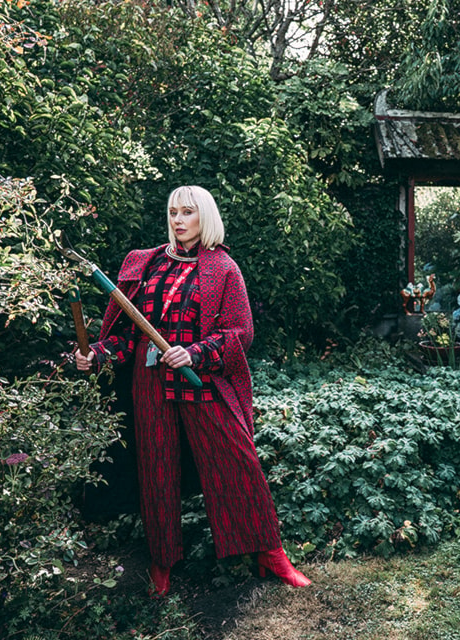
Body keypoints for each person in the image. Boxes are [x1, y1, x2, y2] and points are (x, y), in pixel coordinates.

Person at [75, 185, 310, 595]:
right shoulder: (144, 264)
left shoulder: (223, 268)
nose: (178, 220)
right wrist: (96, 354)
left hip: (198, 382)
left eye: (187, 212)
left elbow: (241, 332)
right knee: (157, 471)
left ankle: (269, 553)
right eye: (172, 212)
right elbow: (127, 336)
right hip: (150, 385)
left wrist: (196, 354)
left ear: (205, 216)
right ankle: (162, 561)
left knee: (238, 461)